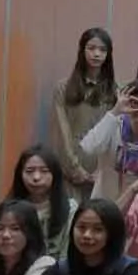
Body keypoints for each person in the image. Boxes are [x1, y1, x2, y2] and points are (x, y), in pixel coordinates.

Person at [81, 77, 138, 201]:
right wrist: (115, 111)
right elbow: (89, 147)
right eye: (136, 102)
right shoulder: (114, 125)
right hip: (105, 203)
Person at [52, 27, 118, 202]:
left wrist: (102, 170)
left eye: (102, 50)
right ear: (82, 50)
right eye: (91, 48)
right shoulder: (63, 88)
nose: (96, 54)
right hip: (71, 164)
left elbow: (114, 135)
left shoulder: (114, 91)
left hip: (101, 168)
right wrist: (74, 167)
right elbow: (62, 132)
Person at [7, 146, 78, 258]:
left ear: (55, 175)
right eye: (29, 171)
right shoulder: (9, 209)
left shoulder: (71, 209)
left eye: (44, 171)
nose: (36, 177)